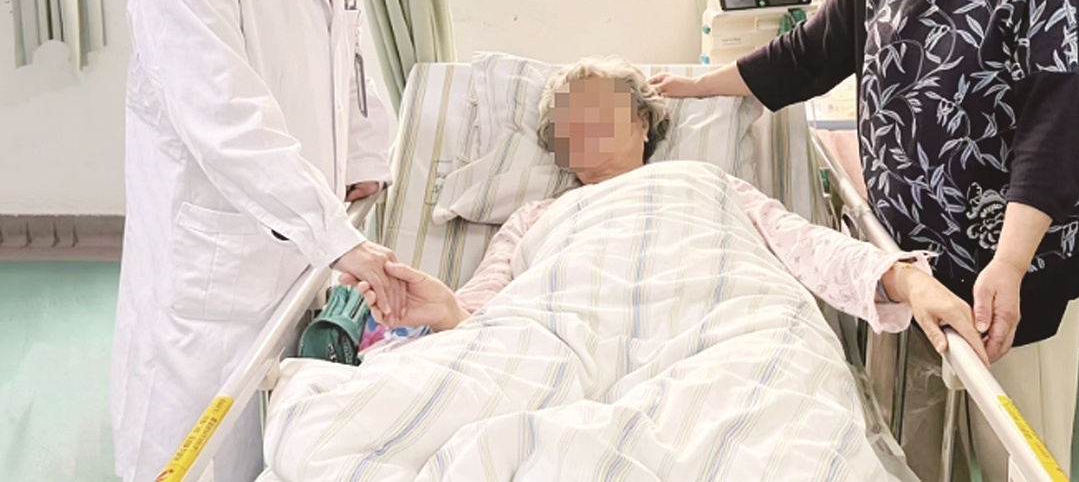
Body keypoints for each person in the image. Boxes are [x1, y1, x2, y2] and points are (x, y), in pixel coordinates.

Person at [650, 0, 1079, 479]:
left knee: (1011, 455)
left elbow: (1061, 128)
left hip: (1017, 271)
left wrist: (1011, 264)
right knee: (918, 446)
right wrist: (700, 83)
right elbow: (809, 55)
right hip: (911, 264)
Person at [111, 0, 403, 482]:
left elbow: (352, 67)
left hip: (298, 235)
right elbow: (227, 120)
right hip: (219, 254)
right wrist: (332, 234)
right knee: (190, 445)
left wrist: (365, 159)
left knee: (274, 438)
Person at [344, 57, 989, 367]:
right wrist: (448, 312)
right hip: (562, 343)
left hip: (728, 341)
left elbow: (806, 247)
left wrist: (905, 278)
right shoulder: (536, 217)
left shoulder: (708, 181)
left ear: (643, 121)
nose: (581, 121)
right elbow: (485, 306)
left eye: (597, 105)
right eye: (567, 117)